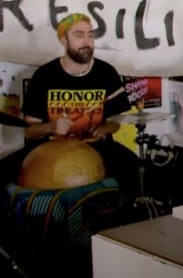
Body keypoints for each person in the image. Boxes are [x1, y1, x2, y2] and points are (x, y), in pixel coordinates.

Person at [16, 13, 138, 200]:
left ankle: (124, 224)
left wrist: (105, 127)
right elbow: (29, 131)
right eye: (79, 35)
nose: (87, 41)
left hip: (97, 147)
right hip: (49, 149)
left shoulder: (106, 72)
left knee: (132, 166)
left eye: (90, 35)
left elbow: (116, 121)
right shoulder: (44, 75)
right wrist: (50, 126)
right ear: (64, 40)